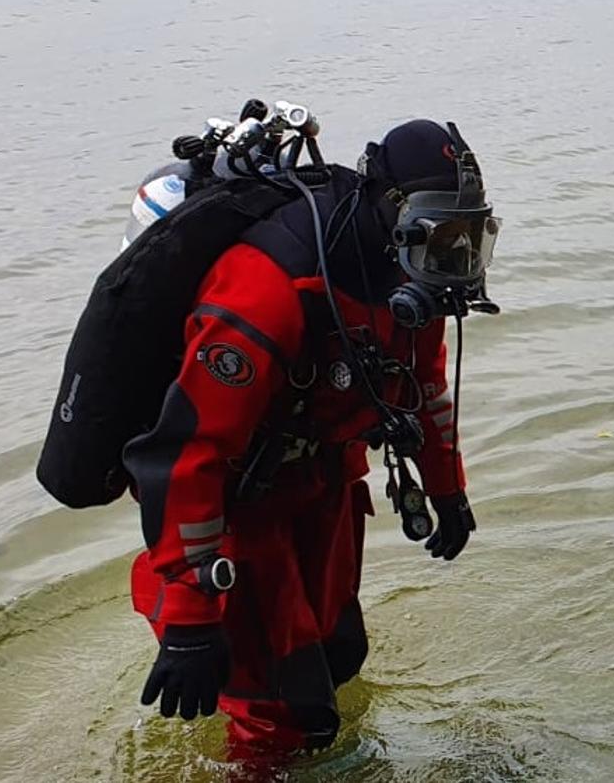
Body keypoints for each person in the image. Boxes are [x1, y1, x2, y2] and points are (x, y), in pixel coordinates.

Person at [124, 118, 498, 757]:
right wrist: (189, 618)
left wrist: (447, 489)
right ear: (394, 214)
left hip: (323, 483)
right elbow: (187, 452)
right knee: (283, 708)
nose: (455, 262)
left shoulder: (410, 282)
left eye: (470, 239)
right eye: (442, 237)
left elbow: (426, 385)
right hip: (238, 507)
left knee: (338, 654)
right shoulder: (270, 285)